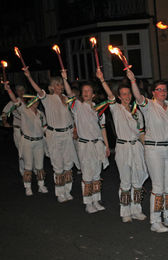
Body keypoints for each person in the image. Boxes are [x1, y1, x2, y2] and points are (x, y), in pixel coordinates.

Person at [129, 69, 168, 233]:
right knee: (158, 186)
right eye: (159, 89)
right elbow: (138, 97)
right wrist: (133, 80)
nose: (162, 92)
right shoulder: (148, 105)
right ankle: (155, 220)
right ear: (153, 92)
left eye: (164, 89)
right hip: (154, 149)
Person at [96, 69, 148, 222]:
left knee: (137, 180)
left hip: (136, 147)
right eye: (123, 94)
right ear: (119, 97)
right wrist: (102, 80)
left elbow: (141, 133)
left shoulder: (137, 112)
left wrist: (147, 149)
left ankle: (136, 209)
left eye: (128, 94)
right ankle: (125, 211)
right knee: (125, 181)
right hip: (123, 147)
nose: (127, 96)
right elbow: (109, 96)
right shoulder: (116, 108)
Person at [24, 68, 79, 203]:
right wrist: (29, 76)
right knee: (58, 164)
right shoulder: (47, 99)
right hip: (54, 135)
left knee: (68, 164)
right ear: (51, 87)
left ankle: (67, 190)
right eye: (57, 84)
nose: (60, 87)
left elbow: (71, 96)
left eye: (61, 84)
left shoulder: (67, 98)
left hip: (67, 134)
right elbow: (38, 90)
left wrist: (65, 78)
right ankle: (60, 192)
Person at [62, 71, 110, 213]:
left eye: (89, 91)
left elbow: (103, 129)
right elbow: (70, 93)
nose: (86, 93)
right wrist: (65, 79)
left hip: (98, 145)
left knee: (97, 174)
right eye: (84, 91)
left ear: (93, 94)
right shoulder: (77, 107)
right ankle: (88, 202)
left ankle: (96, 199)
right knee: (87, 174)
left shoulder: (98, 109)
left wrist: (106, 145)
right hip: (84, 145)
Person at [4, 83, 48, 196]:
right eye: (33, 101)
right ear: (29, 102)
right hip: (27, 141)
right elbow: (15, 101)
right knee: (28, 165)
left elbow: (45, 128)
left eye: (37, 101)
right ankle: (27, 187)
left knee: (39, 165)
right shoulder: (24, 111)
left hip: (39, 142)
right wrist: (9, 90)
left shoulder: (41, 114)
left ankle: (41, 185)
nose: (36, 103)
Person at [2, 85, 26, 175]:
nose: (21, 92)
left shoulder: (28, 101)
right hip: (18, 130)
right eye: (19, 91)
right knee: (21, 151)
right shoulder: (13, 102)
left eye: (22, 90)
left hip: (29, 130)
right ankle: (23, 172)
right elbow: (4, 113)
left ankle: (33, 169)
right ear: (16, 92)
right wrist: (5, 122)